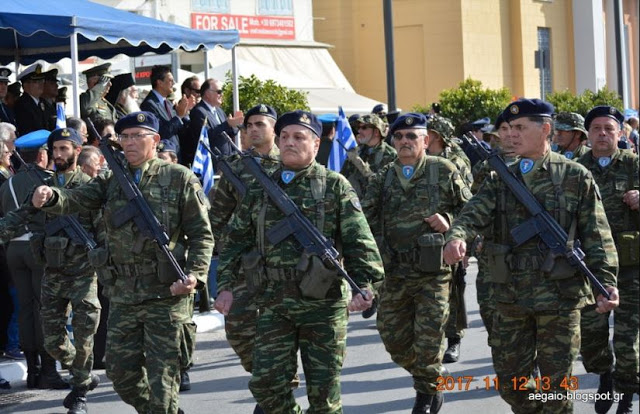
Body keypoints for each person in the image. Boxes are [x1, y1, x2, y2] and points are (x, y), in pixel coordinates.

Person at [443, 98, 620, 413]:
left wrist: (605, 283)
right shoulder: (500, 177)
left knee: (555, 389)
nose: (512, 134)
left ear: (546, 130)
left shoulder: (575, 176)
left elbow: (598, 236)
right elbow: (473, 213)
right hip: (510, 297)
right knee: (513, 386)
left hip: (560, 298)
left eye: (521, 127)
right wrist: (457, 236)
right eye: (509, 128)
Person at [31, 111, 213, 414]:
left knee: (163, 379)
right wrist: (51, 197)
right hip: (125, 293)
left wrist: (195, 275)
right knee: (119, 373)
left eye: (136, 136)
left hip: (166, 294)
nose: (128, 143)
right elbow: (78, 198)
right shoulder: (112, 180)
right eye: (124, 137)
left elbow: (202, 236)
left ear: (154, 140)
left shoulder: (178, 177)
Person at [215, 110, 384, 414]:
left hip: (322, 306)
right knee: (266, 385)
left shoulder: (334, 186)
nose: (290, 142)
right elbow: (234, 240)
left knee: (324, 397)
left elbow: (360, 242)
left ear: (316, 144)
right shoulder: (260, 188)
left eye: (298, 137)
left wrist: (365, 285)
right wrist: (225, 285)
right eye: (284, 137)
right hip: (273, 303)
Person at [362, 112, 471, 414]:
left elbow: (472, 212)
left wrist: (449, 223)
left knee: (428, 339)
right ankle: (430, 377)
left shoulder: (444, 170)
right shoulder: (382, 177)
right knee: (393, 339)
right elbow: (363, 222)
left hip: (432, 273)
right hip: (394, 272)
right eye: (399, 137)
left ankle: (426, 394)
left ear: (426, 140)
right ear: (392, 141)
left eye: (413, 136)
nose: (405, 141)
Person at [210, 104, 281, 412]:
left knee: (279, 333)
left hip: (283, 266)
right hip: (245, 266)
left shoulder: (291, 163)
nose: (252, 129)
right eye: (248, 125)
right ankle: (270, 384)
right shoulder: (236, 167)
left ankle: (272, 395)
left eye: (260, 124)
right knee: (239, 331)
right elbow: (218, 216)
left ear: (274, 128)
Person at [33, 127, 103, 414]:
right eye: (55, 149)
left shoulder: (91, 186)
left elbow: (103, 228)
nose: (59, 154)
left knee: (85, 334)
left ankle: (79, 395)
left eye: (65, 148)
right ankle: (84, 375)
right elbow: (28, 218)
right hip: (53, 271)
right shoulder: (43, 186)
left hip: (84, 272)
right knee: (52, 341)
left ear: (77, 150)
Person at [576, 105, 639, 414]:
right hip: (591, 267)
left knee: (628, 341)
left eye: (609, 128)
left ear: (620, 133)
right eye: (597, 128)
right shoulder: (574, 168)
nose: (602, 133)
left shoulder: (633, 165)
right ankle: (605, 377)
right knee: (592, 336)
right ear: (588, 134)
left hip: (630, 268)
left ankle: (626, 394)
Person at [0, 129, 69, 390]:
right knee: (46, 308)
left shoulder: (7, 182)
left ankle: (33, 370)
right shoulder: (46, 180)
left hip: (13, 250)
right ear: (42, 154)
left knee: (26, 309)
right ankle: (48, 370)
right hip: (37, 249)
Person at [425, 114, 473, 364]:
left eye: (428, 132)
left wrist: (459, 235)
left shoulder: (456, 162)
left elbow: (467, 204)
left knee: (454, 289)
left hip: (448, 236)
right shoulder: (419, 160)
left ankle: (454, 339)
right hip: (423, 240)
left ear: (436, 136)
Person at [141, 66, 195, 163]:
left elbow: (178, 130)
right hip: (163, 158)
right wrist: (179, 116)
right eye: (170, 80)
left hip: (175, 155)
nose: (173, 83)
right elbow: (160, 133)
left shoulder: (168, 103)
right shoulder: (149, 105)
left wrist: (185, 113)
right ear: (159, 83)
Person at [185, 78, 243, 167]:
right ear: (208, 93)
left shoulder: (219, 110)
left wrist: (235, 124)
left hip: (227, 162)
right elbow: (205, 136)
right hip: (212, 164)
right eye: (219, 92)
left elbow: (229, 133)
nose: (222, 94)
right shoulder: (198, 111)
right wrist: (227, 124)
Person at [341, 113, 396, 199]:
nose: (359, 131)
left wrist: (358, 162)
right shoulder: (358, 151)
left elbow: (381, 185)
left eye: (364, 128)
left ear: (377, 132)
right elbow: (343, 178)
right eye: (358, 128)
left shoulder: (390, 155)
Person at [15, 63, 48, 136]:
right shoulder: (22, 104)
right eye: (36, 82)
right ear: (25, 85)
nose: (41, 84)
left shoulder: (43, 102)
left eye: (41, 81)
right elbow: (27, 129)